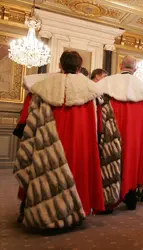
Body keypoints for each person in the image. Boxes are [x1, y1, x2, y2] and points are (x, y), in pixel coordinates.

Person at [14, 51, 121, 229]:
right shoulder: (92, 89)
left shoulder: (43, 87)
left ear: (60, 65)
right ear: (79, 67)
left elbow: (31, 123)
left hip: (48, 144)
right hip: (82, 145)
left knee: (45, 173)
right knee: (79, 173)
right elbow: (102, 126)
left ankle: (44, 213)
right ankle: (76, 211)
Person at [97, 55, 143, 210]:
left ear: (120, 66)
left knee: (110, 156)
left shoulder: (108, 82)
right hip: (135, 133)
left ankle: (109, 200)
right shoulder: (142, 88)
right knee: (132, 159)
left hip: (112, 127)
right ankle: (131, 197)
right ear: (135, 70)